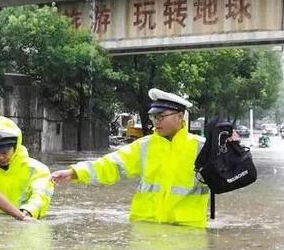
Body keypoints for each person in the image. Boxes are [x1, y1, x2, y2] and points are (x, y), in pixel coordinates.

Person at [52, 88, 239, 228]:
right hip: (144, 228)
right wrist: (74, 172)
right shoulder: (145, 146)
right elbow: (111, 164)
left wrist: (232, 148)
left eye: (161, 116)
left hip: (187, 231)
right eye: (153, 117)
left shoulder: (202, 147)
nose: (156, 121)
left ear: (180, 117)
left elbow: (235, 175)